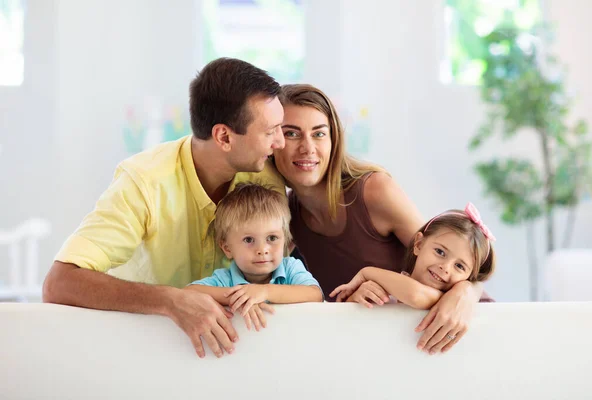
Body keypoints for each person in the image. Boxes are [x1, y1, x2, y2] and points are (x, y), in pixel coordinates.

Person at [43, 58, 286, 359]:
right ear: (224, 137)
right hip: (142, 353)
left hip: (238, 354)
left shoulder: (265, 175)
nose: (280, 143)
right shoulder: (143, 182)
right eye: (270, 131)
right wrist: (170, 301)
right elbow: (59, 283)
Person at [273, 84, 493, 355]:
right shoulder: (284, 216)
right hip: (391, 348)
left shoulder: (374, 191)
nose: (307, 147)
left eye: (319, 133)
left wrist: (466, 294)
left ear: (334, 141)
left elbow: (451, 260)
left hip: (459, 332)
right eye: (291, 133)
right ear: (272, 142)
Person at [185, 183, 322, 332]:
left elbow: (315, 295)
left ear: (285, 240)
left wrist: (264, 292)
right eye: (249, 240)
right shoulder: (225, 279)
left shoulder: (290, 268)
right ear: (227, 248)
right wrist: (241, 298)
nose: (262, 250)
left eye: (272, 238)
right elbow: (188, 293)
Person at [330, 203, 496, 319]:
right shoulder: (388, 288)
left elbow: (415, 294)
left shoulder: (447, 302)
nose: (445, 267)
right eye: (440, 252)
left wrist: (367, 272)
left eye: (459, 266)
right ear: (418, 244)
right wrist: (357, 299)